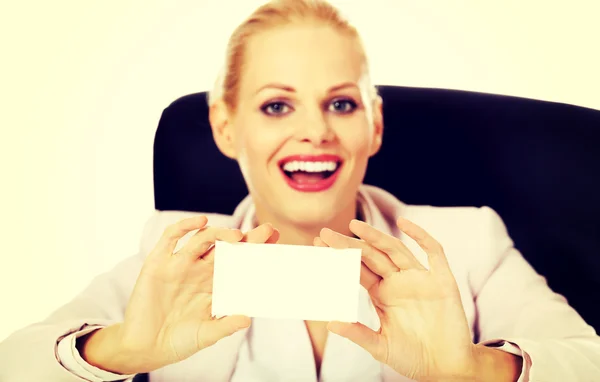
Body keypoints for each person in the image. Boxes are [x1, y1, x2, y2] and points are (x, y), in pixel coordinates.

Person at [1, 0, 599, 380]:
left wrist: (473, 369)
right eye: (277, 105)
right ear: (226, 126)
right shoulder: (174, 253)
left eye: (341, 103)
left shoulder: (468, 240)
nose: (314, 130)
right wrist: (119, 350)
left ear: (375, 125)